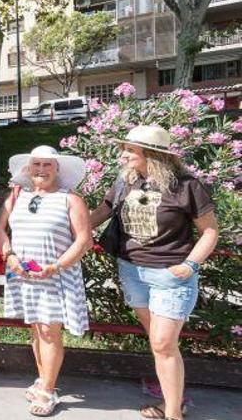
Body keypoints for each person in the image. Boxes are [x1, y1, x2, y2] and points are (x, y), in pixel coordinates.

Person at [90, 125, 218, 420]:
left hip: (170, 276)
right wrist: (71, 225)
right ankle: (176, 400)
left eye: (130, 150)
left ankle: (173, 413)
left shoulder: (186, 185)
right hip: (132, 271)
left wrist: (190, 265)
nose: (123, 155)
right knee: (160, 343)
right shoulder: (126, 181)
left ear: (152, 154)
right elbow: (102, 211)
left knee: (162, 343)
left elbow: (210, 231)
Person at [0, 145, 92, 416]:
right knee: (36, 328)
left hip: (56, 276)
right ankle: (43, 379)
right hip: (24, 274)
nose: (41, 169)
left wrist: (56, 266)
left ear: (57, 168)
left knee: (49, 331)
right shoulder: (16, 196)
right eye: (36, 164)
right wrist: (10, 256)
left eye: (47, 165)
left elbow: (84, 239)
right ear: (28, 168)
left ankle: (48, 391)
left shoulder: (71, 199)